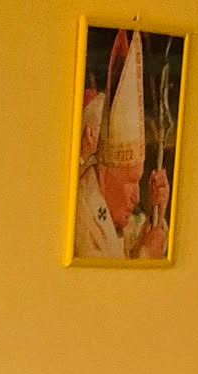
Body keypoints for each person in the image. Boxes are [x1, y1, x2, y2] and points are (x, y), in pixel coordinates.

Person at [74, 29, 170, 261]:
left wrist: (157, 215)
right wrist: (147, 254)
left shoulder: (117, 215)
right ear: (103, 174)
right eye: (129, 181)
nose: (136, 197)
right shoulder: (82, 216)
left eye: (137, 181)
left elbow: (130, 248)